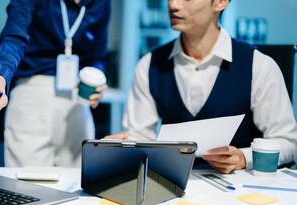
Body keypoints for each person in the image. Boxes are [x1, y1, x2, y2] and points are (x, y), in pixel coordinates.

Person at [106, 0, 297, 173]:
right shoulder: (149, 64)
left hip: (239, 190)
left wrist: (244, 158)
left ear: (220, 2)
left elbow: (288, 142)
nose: (173, 5)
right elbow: (140, 137)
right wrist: (122, 147)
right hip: (174, 186)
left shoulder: (259, 65)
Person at [0, 0, 111, 167]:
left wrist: (95, 77)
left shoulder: (101, 2)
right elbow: (14, 35)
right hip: (32, 94)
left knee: (81, 182)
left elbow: (98, 55)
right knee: (26, 186)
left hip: (77, 98)